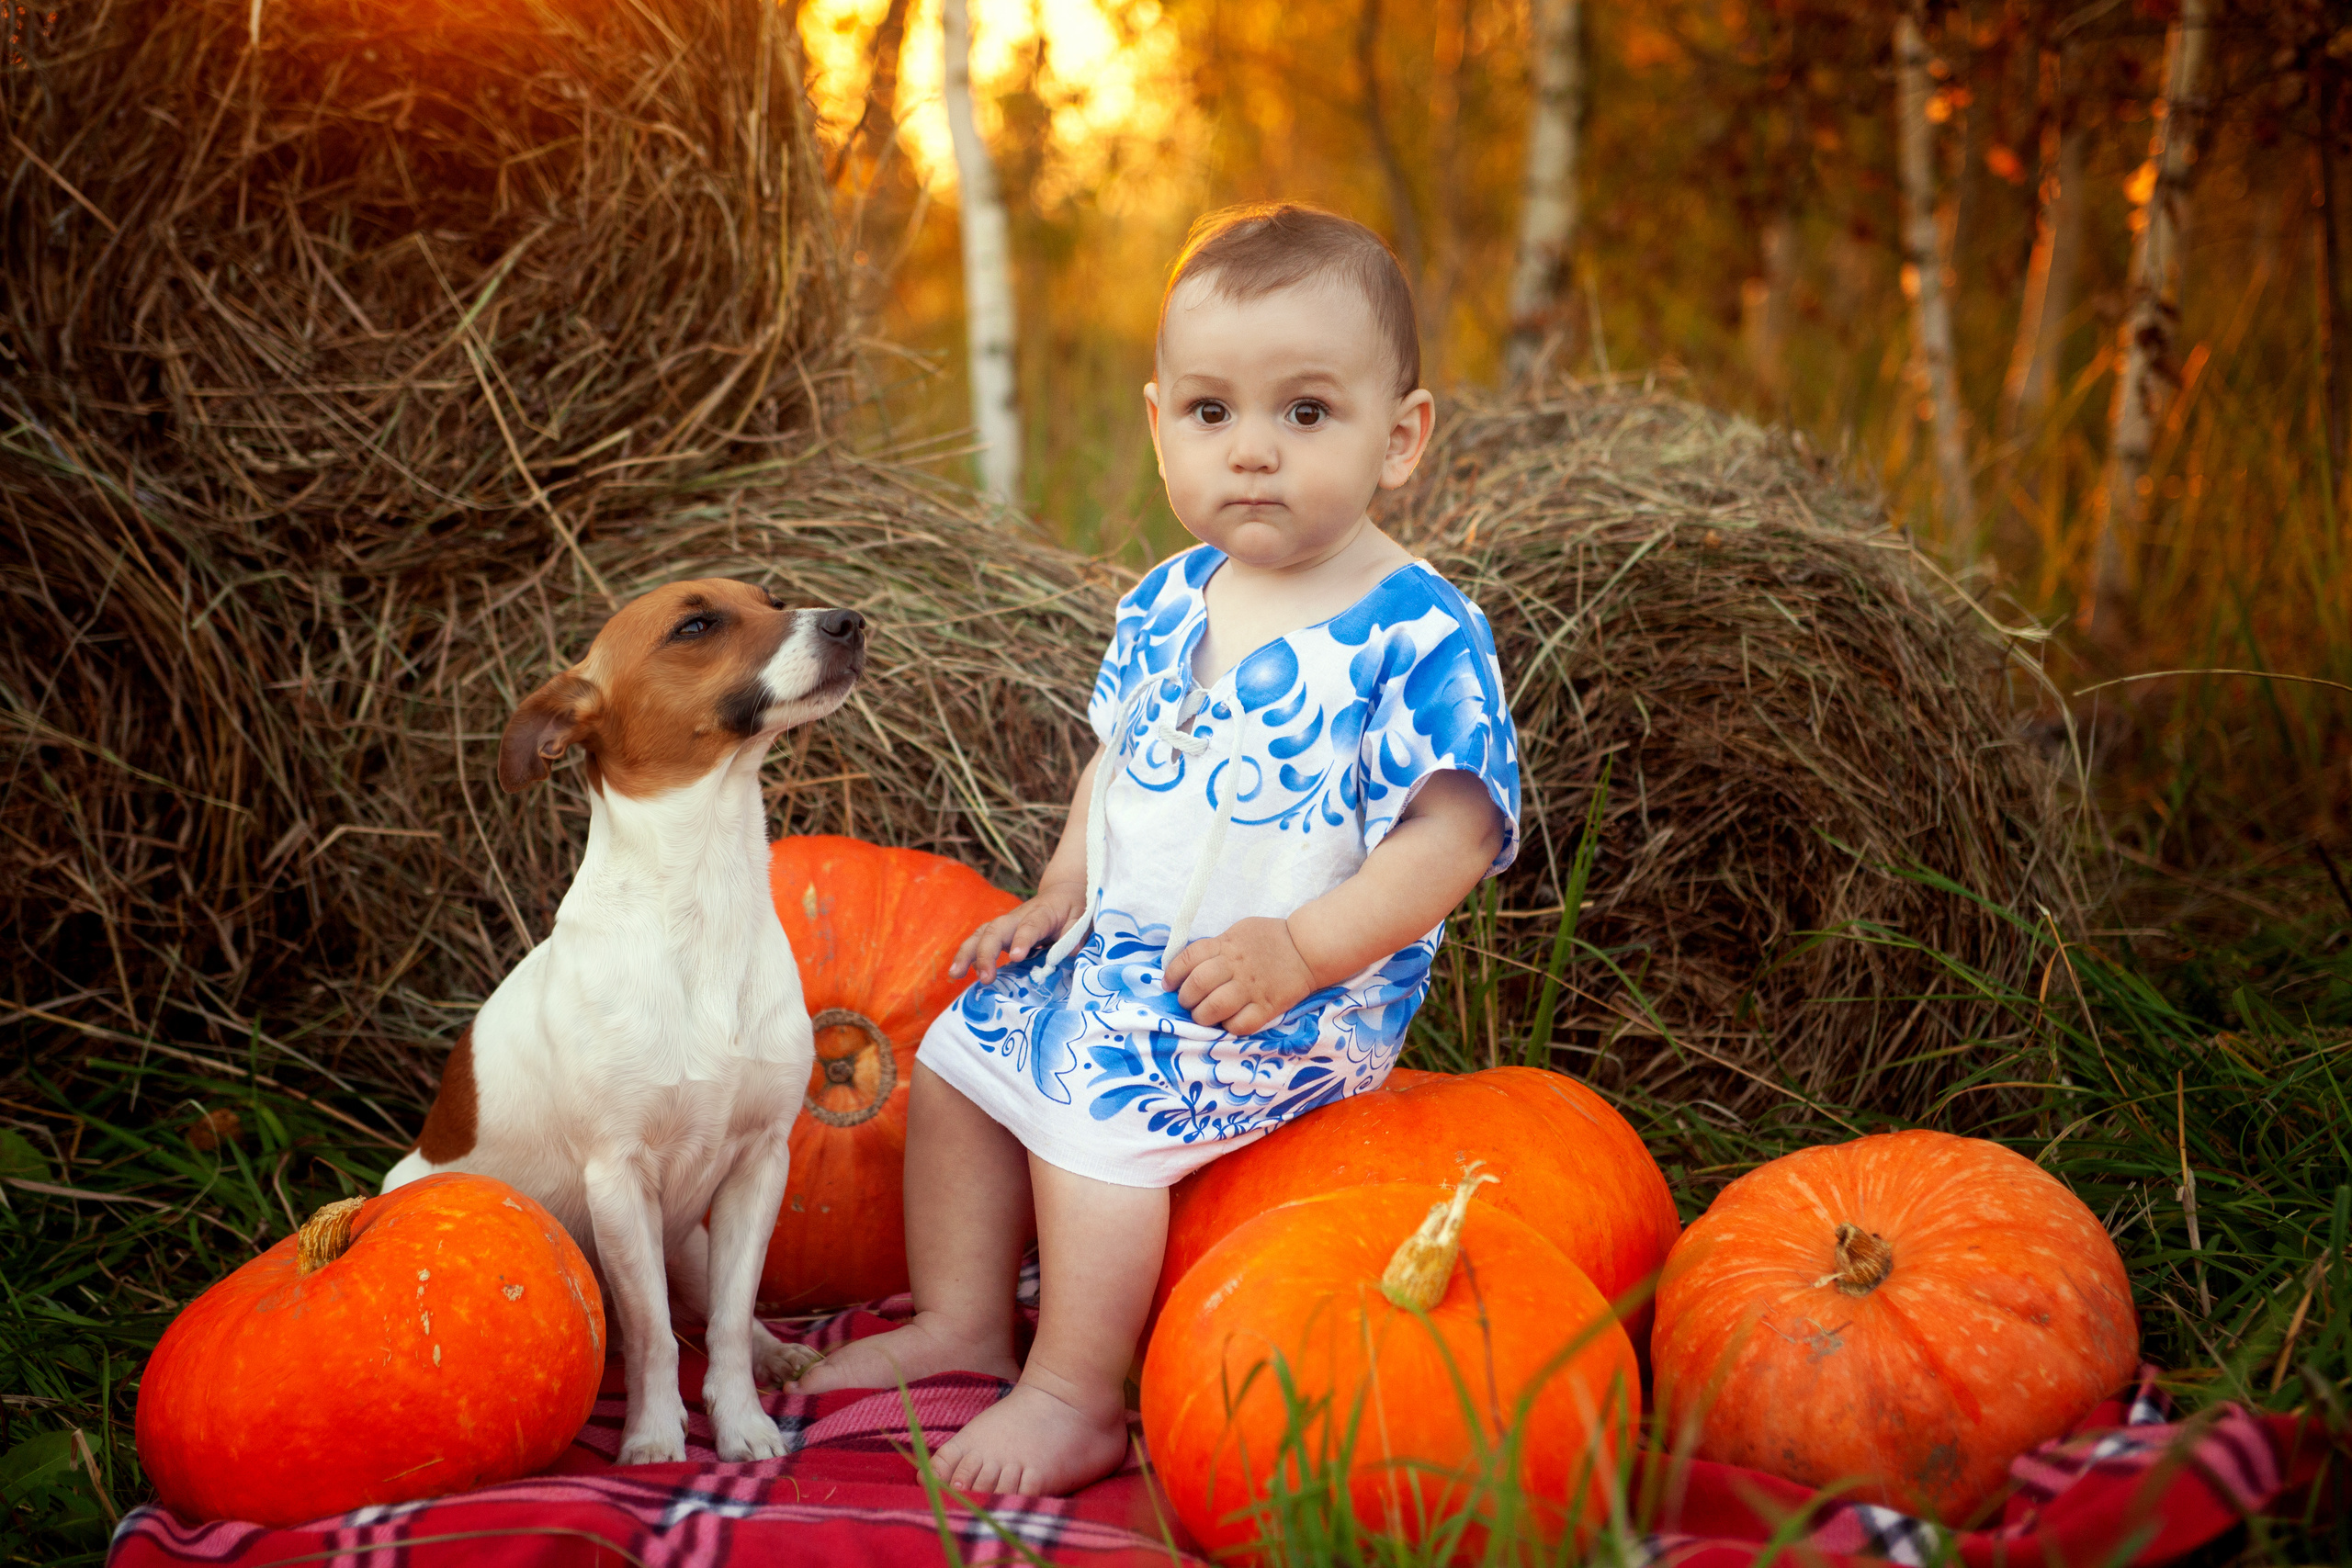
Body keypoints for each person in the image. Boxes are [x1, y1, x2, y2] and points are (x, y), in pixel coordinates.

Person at [791, 202, 1520, 1495]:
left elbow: (1451, 836)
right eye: (1211, 411)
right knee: (960, 1056)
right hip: (1132, 954)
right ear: (1158, 424)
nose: (1253, 450)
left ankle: (1074, 1391)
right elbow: (1118, 763)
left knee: (1098, 1114)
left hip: (1296, 997)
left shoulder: (1418, 633)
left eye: (1307, 412)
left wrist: (1304, 950)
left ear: (1401, 438)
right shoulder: (1169, 599)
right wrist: (1062, 889)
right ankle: (962, 1323)